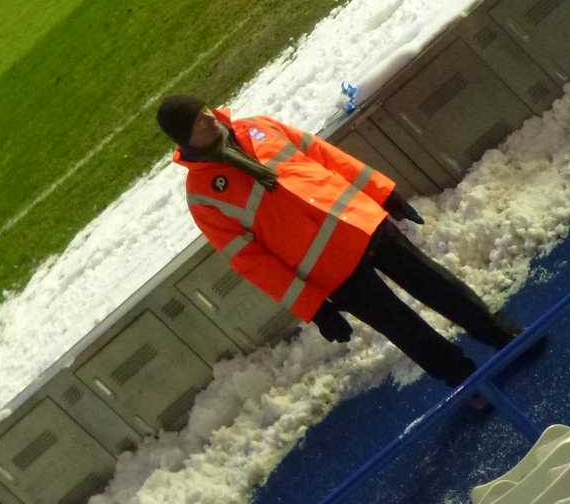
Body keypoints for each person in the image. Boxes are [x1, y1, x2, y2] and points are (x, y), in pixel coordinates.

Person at [157, 96, 521, 387]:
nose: (212, 121)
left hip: (360, 223)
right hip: (329, 269)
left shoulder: (259, 127)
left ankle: (501, 335)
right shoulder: (203, 196)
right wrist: (313, 308)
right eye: (201, 124)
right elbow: (250, 261)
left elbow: (324, 156)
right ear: (186, 141)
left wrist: (383, 192)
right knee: (403, 329)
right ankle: (466, 381)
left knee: (438, 285)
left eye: (208, 113)